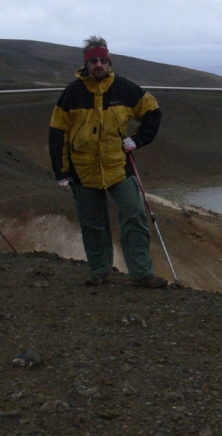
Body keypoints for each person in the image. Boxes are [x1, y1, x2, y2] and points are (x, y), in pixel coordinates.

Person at [49, 36, 167, 288]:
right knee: (93, 224)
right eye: (93, 61)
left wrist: (138, 140)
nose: (98, 65)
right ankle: (100, 271)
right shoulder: (72, 93)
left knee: (134, 216)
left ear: (109, 61)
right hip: (83, 171)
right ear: (86, 64)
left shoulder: (125, 89)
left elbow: (152, 111)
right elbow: (58, 132)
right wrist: (61, 171)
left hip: (118, 168)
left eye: (103, 60)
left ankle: (142, 273)